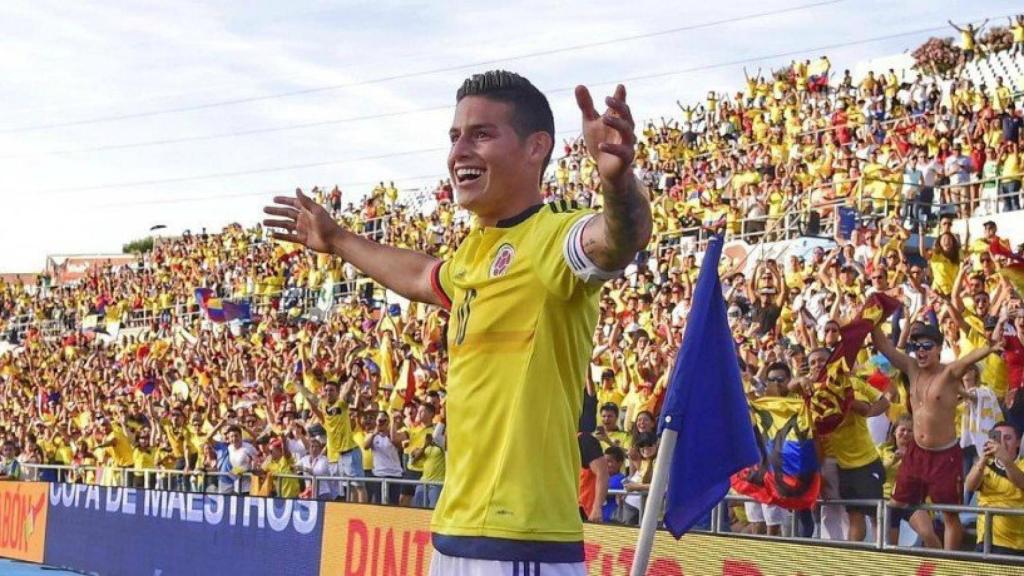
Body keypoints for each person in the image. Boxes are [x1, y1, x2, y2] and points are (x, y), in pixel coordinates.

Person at [264, 70, 652, 575]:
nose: (459, 152)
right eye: (454, 136)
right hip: (453, 538)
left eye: (482, 134)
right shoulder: (474, 253)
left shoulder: (555, 239)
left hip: (521, 544)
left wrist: (618, 183)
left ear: (537, 148)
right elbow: (422, 277)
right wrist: (337, 239)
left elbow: (620, 237)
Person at [871, 320, 1004, 550]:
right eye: (916, 346)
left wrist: (990, 347)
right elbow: (885, 347)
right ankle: (893, 556)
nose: (920, 351)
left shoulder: (950, 373)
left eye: (926, 345)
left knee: (950, 515)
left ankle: (948, 565)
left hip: (945, 456)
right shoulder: (911, 368)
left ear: (938, 348)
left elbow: (968, 359)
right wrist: (873, 320)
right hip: (916, 454)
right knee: (894, 506)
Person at [965, 421, 1024, 556]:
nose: (1002, 443)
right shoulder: (984, 466)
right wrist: (983, 459)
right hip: (986, 542)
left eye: (1008, 438)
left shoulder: (1022, 464)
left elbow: (1021, 482)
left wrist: (1005, 459)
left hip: (1015, 545)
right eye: (997, 438)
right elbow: (969, 486)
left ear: (1018, 443)